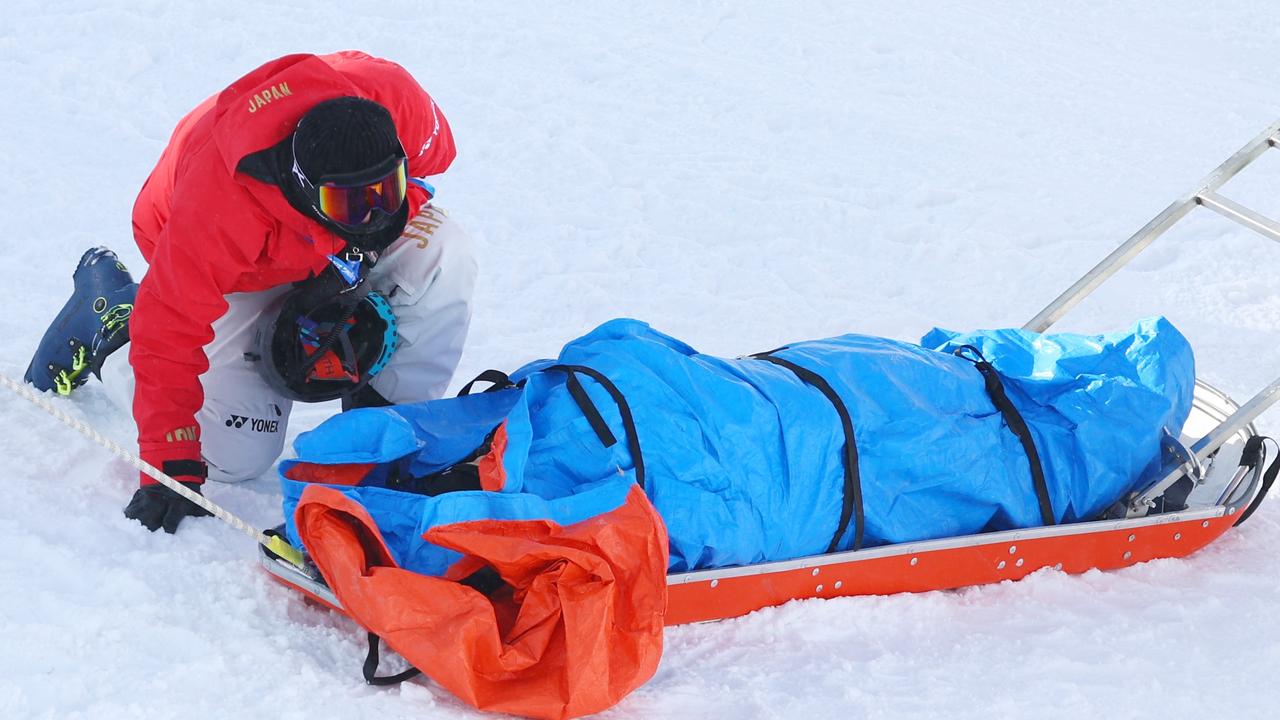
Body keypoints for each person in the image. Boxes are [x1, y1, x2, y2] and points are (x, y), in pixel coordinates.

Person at [24, 51, 477, 533]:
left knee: (447, 251)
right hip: (232, 264)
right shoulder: (217, 208)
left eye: (386, 191)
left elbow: (428, 172)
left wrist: (359, 244)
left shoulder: (398, 102)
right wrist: (169, 463)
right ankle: (112, 327)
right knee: (232, 455)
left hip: (312, 235)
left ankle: (377, 437)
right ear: (305, 185)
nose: (374, 213)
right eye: (350, 201)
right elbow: (169, 330)